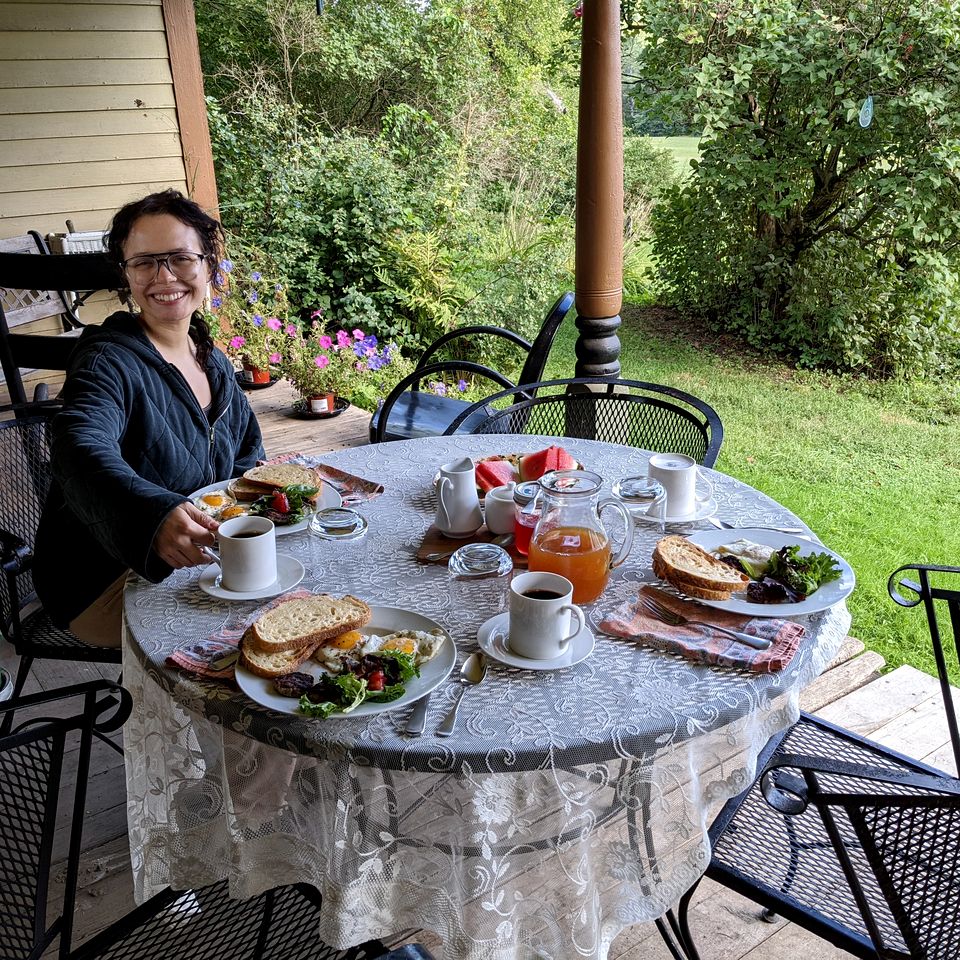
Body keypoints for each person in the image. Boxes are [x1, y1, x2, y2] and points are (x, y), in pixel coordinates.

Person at [34, 189, 264, 647]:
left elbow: (246, 458)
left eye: (180, 257)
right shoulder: (107, 360)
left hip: (196, 557)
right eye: (143, 262)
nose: (164, 276)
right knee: (253, 639)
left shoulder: (211, 360)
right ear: (126, 274)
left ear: (207, 266)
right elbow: (78, 444)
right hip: (102, 579)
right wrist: (152, 517)